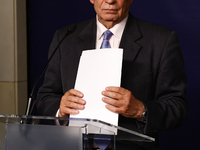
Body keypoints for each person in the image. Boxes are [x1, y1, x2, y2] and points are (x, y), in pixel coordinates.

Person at [37, 0, 188, 149]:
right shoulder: (65, 38)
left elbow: (177, 107)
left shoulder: (161, 40)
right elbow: (46, 97)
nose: (110, 1)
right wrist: (61, 109)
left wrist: (140, 110)